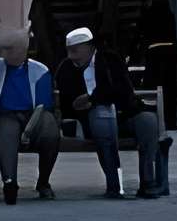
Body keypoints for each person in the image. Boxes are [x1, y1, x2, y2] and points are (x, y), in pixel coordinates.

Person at [57, 25, 164, 199]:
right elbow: (68, 102)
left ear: (88, 47)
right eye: (69, 51)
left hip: (124, 114)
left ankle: (148, 182)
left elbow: (122, 90)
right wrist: (87, 103)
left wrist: (92, 97)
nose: (71, 56)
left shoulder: (110, 60)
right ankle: (115, 185)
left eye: (75, 51)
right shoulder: (66, 68)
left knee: (148, 122)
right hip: (93, 121)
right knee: (102, 116)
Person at [0, 25, 60, 203]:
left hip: (33, 115)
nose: (4, 53)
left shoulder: (40, 70)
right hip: (5, 116)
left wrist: (29, 131)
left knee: (50, 130)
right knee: (8, 129)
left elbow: (42, 107)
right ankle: (10, 183)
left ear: (23, 50)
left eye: (10, 49)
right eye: (3, 49)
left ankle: (43, 182)